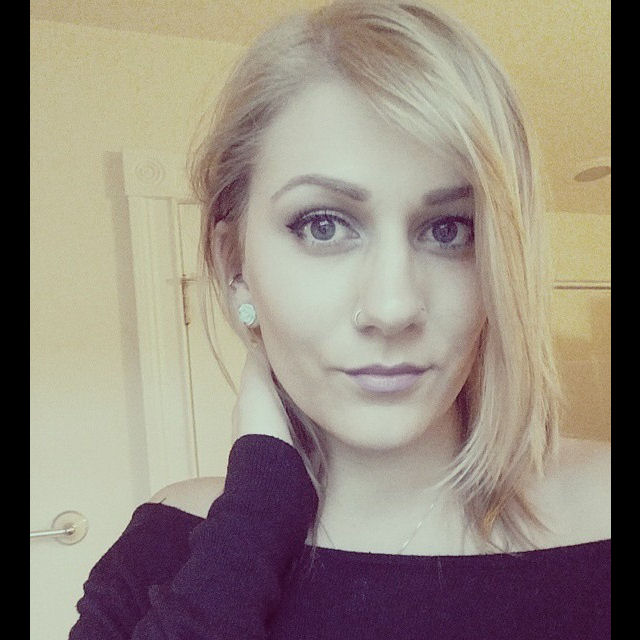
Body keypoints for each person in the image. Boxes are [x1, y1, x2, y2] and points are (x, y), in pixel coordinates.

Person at [70, 1, 610, 638]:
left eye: (449, 229)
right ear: (235, 262)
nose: (392, 307)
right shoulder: (170, 545)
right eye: (323, 226)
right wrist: (255, 514)